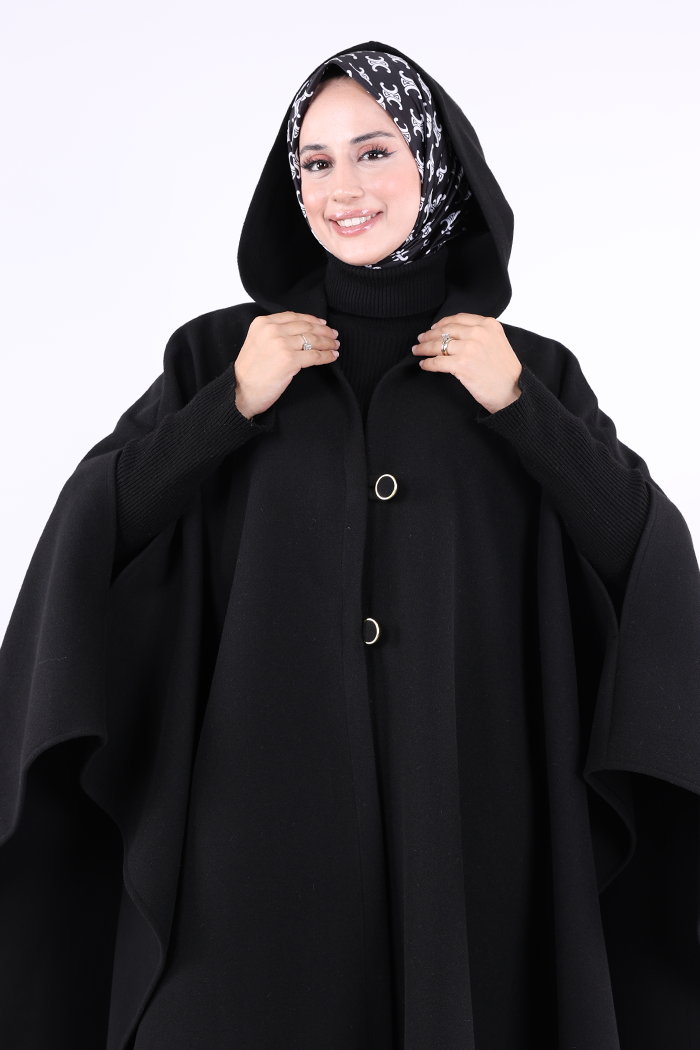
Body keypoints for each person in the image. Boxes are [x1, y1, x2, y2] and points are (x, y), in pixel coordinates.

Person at [0, 40, 699, 1050]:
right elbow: (92, 532)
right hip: (246, 850)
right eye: (316, 162)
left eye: (374, 152)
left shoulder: (530, 370)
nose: (343, 189)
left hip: (466, 836)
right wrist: (231, 405)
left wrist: (520, 408)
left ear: (435, 162)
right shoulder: (220, 354)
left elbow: (644, 556)